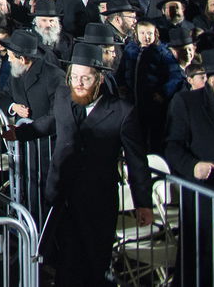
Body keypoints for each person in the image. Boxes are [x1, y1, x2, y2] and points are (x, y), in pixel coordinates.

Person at [11, 43, 153, 287]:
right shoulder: (65, 96)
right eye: (74, 77)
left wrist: (143, 204)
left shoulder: (122, 112)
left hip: (96, 202)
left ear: (99, 78)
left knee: (93, 266)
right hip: (61, 197)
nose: (78, 83)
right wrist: (21, 133)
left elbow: (136, 161)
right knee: (64, 265)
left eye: (85, 78)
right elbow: (52, 122)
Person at [161, 45, 214, 286]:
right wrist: (193, 166)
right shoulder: (187, 102)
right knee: (210, 260)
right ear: (213, 81)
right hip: (207, 198)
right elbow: (172, 146)